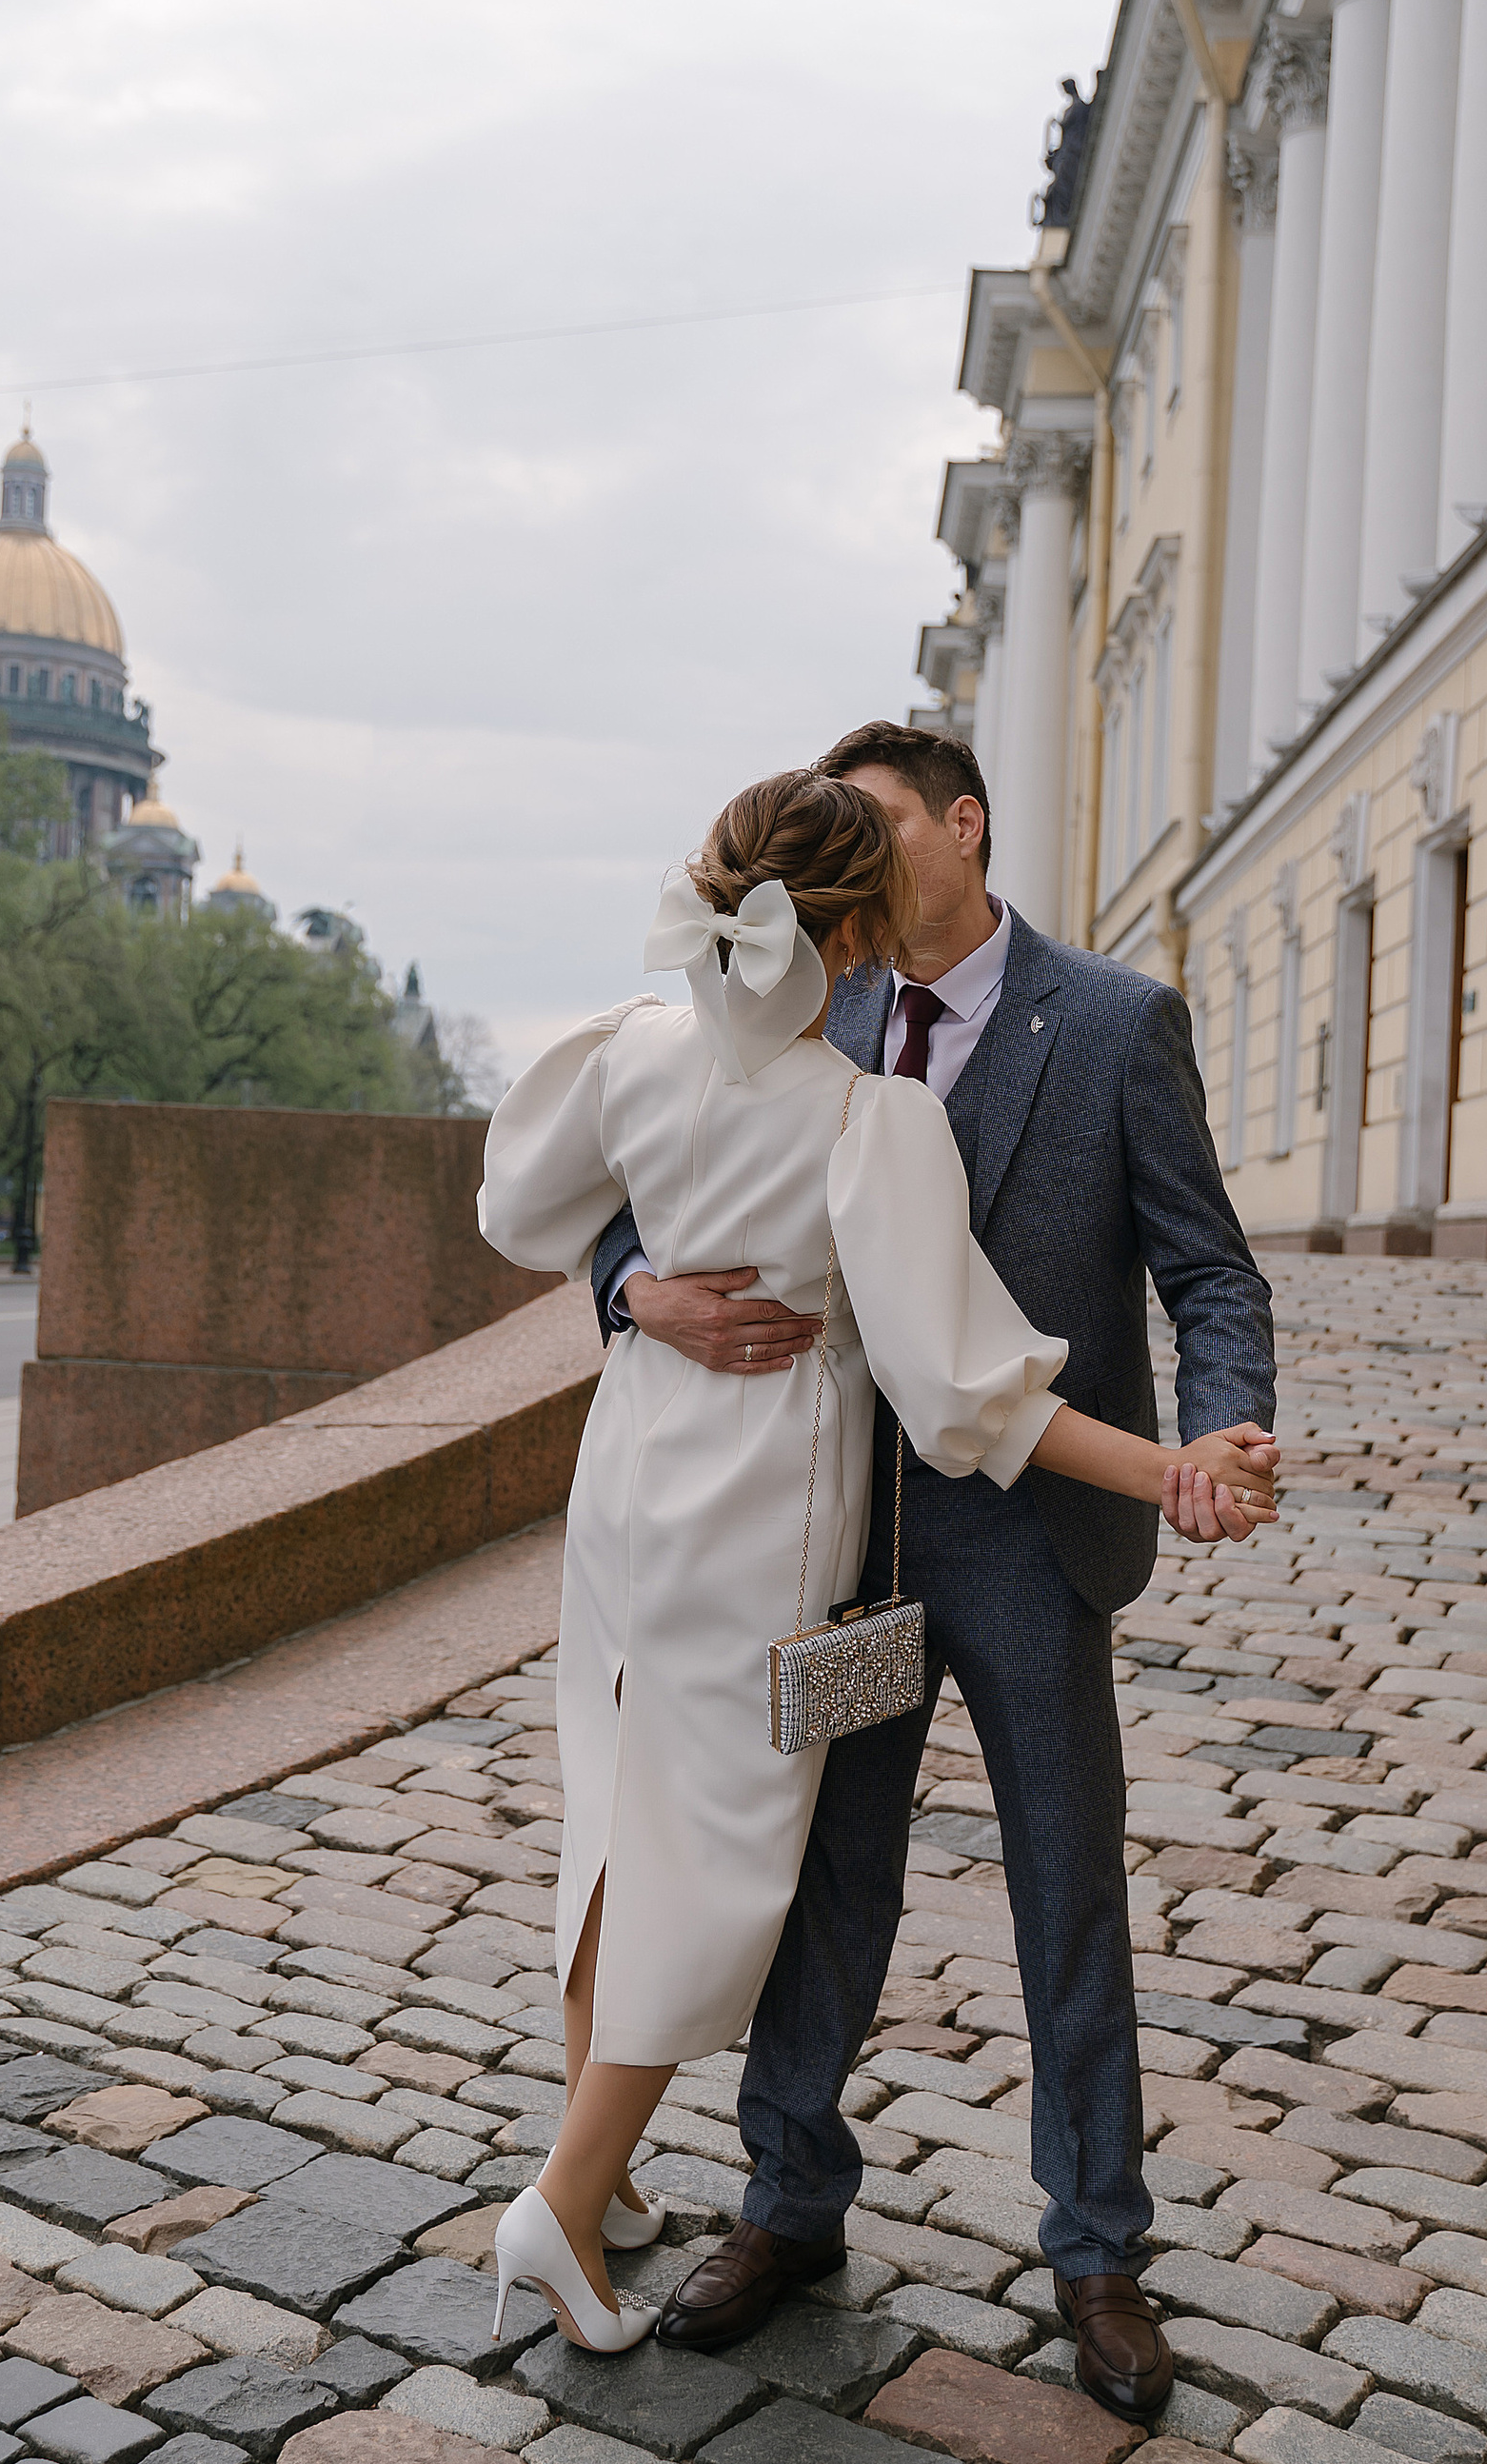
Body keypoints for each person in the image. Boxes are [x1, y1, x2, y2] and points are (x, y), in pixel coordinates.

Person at [479, 769, 1278, 2355]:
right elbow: (633, 1224)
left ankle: (1100, 2254)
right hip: (829, 1541)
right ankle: (784, 2205)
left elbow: (1211, 1268)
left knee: (1066, 1890)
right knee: (812, 1882)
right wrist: (645, 1298)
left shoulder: (1116, 1023)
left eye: (890, 814)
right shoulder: (812, 1033)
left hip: (1019, 1543)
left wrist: (1221, 1435)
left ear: (964, 822)